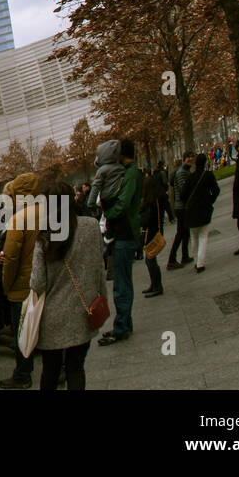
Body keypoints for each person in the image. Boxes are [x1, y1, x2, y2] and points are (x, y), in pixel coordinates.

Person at [30, 177, 105, 390]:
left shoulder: (44, 236)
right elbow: (99, 268)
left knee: (50, 370)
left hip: (52, 318)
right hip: (84, 310)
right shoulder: (91, 227)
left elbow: (37, 284)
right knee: (76, 368)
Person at [0, 171, 43, 386]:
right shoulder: (49, 213)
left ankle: (22, 375)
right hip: (45, 282)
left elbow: (11, 258)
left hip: (22, 286)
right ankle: (58, 368)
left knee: (22, 333)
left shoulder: (18, 219)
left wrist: (7, 286)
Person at [97, 139, 142, 347]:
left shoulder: (131, 174)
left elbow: (123, 203)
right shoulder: (128, 171)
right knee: (124, 282)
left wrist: (108, 214)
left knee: (121, 284)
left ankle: (121, 327)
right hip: (124, 233)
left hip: (124, 233)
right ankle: (125, 323)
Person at [181, 153, 221, 272]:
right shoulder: (208, 175)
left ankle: (196, 261)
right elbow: (216, 190)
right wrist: (209, 201)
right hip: (204, 210)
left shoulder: (190, 177)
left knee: (194, 237)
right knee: (203, 236)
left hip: (191, 211)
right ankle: (200, 263)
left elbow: (183, 194)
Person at [140, 168, 167, 298]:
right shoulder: (156, 199)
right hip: (155, 229)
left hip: (152, 231)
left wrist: (140, 219)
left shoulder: (151, 202)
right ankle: (155, 284)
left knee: (150, 260)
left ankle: (157, 286)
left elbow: (146, 219)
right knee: (150, 259)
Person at [166, 154, 193, 269]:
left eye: (192, 158)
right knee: (181, 232)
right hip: (182, 207)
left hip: (181, 206)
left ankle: (185, 255)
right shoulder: (182, 172)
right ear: (184, 160)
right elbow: (183, 191)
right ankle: (172, 259)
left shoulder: (183, 171)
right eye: (189, 159)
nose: (190, 160)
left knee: (185, 232)